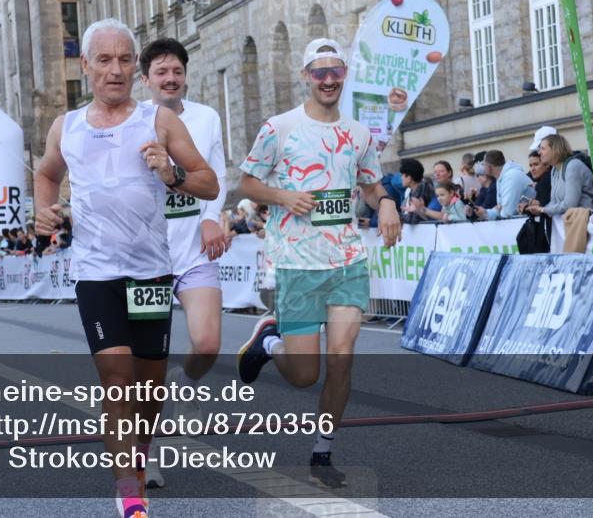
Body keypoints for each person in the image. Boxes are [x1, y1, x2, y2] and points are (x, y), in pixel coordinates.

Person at [33, 18, 218, 518]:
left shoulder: (158, 120)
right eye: (103, 60)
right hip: (96, 274)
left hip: (152, 273)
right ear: (85, 66)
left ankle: (140, 452)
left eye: (123, 60)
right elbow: (47, 172)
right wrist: (42, 209)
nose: (114, 70)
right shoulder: (65, 126)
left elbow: (208, 183)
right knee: (116, 379)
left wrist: (171, 172)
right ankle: (129, 491)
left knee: (150, 384)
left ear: (134, 68)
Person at [235, 37, 401, 489]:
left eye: (336, 72)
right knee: (305, 375)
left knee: (342, 359)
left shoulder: (359, 133)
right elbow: (247, 182)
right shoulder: (279, 129)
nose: (328, 80)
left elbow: (369, 184)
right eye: (319, 72)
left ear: (343, 75)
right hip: (298, 260)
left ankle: (322, 452)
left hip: (346, 258)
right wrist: (283, 195)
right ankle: (269, 341)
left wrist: (384, 202)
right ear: (306, 76)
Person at [140, 37, 229, 489]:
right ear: (147, 80)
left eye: (176, 71)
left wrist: (214, 218)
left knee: (208, 344)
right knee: (147, 367)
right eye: (161, 72)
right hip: (149, 259)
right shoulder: (133, 122)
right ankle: (147, 457)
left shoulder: (207, 118)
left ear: (185, 75)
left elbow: (218, 174)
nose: (170, 78)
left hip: (194, 250)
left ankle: (186, 380)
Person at [527, 134, 593, 218]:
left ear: (555, 149)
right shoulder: (554, 170)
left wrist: (543, 210)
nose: (539, 152)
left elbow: (570, 204)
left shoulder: (572, 166)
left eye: (543, 148)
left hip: (585, 221)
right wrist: (539, 209)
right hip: (570, 222)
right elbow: (554, 202)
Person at [477, 150, 534, 221]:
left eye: (483, 164)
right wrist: (486, 213)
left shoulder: (511, 177)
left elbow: (507, 214)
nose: (482, 167)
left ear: (489, 167)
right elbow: (501, 208)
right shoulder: (502, 177)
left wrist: (497, 210)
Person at [398, 158, 434, 224]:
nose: (401, 178)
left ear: (409, 178)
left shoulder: (423, 189)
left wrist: (397, 216)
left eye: (402, 175)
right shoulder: (412, 192)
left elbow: (414, 219)